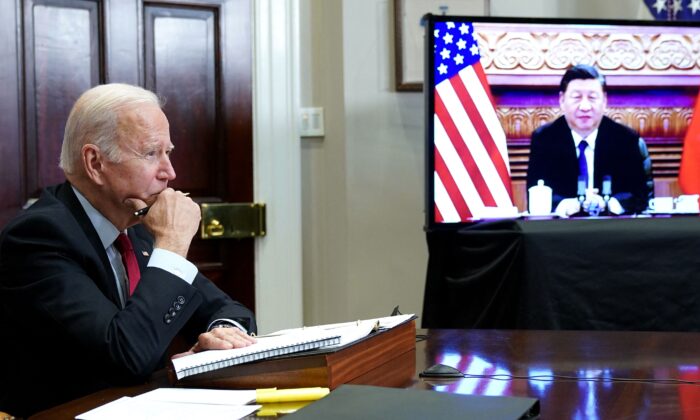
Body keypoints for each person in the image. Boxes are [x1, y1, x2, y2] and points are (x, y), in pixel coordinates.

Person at [0, 84, 257, 417]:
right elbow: (125, 358)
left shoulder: (136, 224)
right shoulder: (38, 238)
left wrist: (221, 338)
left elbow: (232, 311)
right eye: (151, 153)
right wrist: (174, 244)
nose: (170, 172)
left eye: (169, 152)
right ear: (95, 162)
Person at [526, 64, 648, 216]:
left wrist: (608, 203)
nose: (585, 106)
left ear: (604, 102)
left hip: (613, 229)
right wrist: (566, 204)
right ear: (562, 100)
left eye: (592, 97)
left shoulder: (624, 138)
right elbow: (536, 191)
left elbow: (639, 195)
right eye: (576, 97)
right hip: (563, 230)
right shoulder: (545, 139)